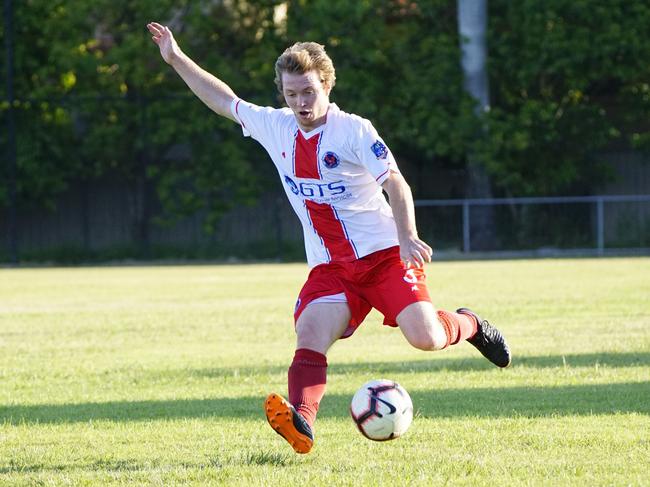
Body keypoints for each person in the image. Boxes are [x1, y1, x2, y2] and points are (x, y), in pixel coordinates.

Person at [147, 21, 511, 454]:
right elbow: (225, 101)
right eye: (291, 93)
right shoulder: (276, 126)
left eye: (308, 92)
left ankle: (470, 324)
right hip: (331, 269)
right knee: (311, 332)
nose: (300, 102)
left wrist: (408, 236)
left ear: (327, 86)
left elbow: (395, 183)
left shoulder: (354, 130)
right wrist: (175, 58)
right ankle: (302, 421)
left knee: (426, 338)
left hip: (383, 258)